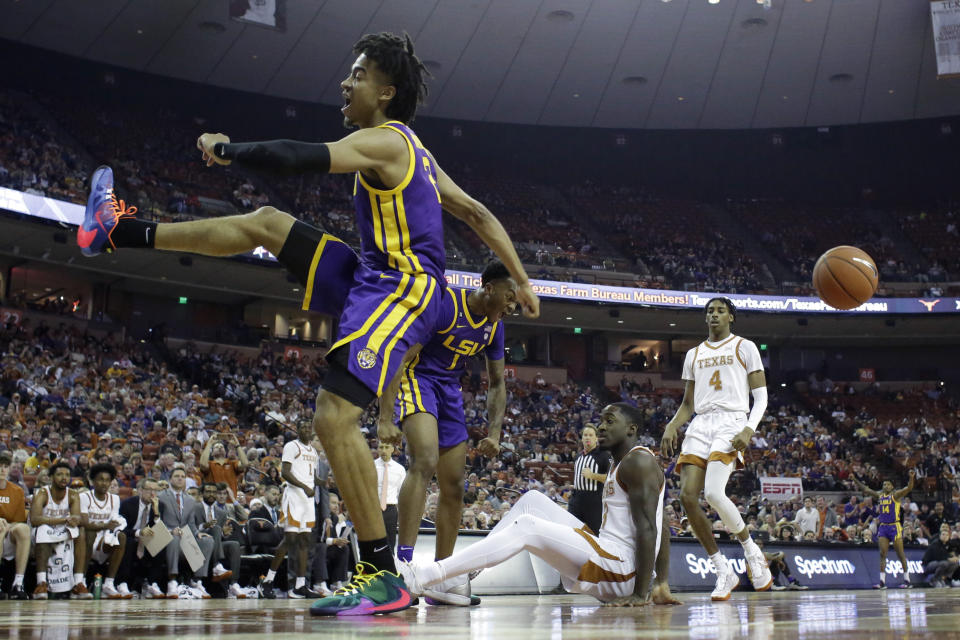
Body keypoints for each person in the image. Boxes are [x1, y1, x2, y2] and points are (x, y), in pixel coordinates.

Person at [79, 30, 539, 617]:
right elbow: (475, 211)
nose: (346, 83)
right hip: (373, 275)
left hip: (402, 290)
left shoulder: (385, 142)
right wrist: (522, 280)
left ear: (386, 91)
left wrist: (230, 150)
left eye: (358, 74)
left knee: (332, 416)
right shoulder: (417, 151)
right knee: (268, 222)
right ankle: (116, 231)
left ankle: (380, 575)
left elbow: (301, 157)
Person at [400, 403, 679, 607]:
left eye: (609, 421)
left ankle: (425, 577)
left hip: (623, 571)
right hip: (612, 557)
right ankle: (457, 579)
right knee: (532, 501)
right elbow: (661, 522)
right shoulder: (626, 462)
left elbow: (649, 529)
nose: (602, 427)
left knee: (528, 528)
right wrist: (662, 583)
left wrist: (642, 593)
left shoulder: (638, 462)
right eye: (600, 421)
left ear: (631, 429)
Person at [378, 261, 516, 606]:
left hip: (448, 390)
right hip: (416, 377)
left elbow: (497, 384)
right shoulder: (444, 305)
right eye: (509, 296)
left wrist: (495, 433)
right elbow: (399, 355)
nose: (513, 305)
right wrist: (384, 416)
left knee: (454, 482)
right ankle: (404, 563)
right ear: (488, 288)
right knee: (423, 459)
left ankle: (442, 574)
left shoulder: (494, 327)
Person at [661, 297, 772, 600]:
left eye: (720, 311)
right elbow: (688, 404)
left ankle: (751, 550)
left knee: (712, 493)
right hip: (700, 424)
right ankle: (722, 570)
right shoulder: (694, 354)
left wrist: (749, 428)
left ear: (731, 317)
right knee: (686, 496)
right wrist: (673, 425)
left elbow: (761, 397)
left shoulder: (744, 347)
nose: (714, 315)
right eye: (709, 311)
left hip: (731, 420)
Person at [257, 422, 320, 599]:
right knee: (290, 539)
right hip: (294, 496)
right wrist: (304, 487)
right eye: (304, 428)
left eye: (309, 428)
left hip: (307, 500)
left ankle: (300, 585)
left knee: (304, 540)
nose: (307, 430)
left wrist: (323, 482)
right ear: (297, 430)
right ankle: (267, 581)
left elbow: (313, 477)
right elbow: (285, 472)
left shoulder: (313, 451)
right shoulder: (291, 446)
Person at [158, 466, 228, 598]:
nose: (180, 479)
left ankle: (197, 581)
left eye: (183, 477)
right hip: (166, 536)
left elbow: (190, 523)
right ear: (170, 479)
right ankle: (172, 581)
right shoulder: (161, 496)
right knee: (175, 538)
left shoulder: (190, 500)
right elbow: (157, 520)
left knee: (207, 540)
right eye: (177, 476)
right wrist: (170, 531)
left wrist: (197, 533)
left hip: (185, 537)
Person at [30, 461, 92, 599]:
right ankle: (41, 583)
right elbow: (35, 520)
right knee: (42, 530)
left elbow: (77, 518)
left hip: (62, 530)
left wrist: (75, 519)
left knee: (80, 531)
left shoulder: (73, 495)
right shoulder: (42, 493)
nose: (64, 478)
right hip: (42, 531)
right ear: (51, 477)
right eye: (59, 474)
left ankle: (78, 582)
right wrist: (64, 520)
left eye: (67, 475)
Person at [853, 470, 916, 588]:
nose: (885, 486)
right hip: (883, 526)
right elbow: (866, 490)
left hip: (895, 526)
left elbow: (909, 488)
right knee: (882, 554)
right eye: (884, 484)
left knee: (900, 554)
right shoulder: (880, 495)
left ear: (892, 486)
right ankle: (882, 582)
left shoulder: (896, 495)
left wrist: (911, 477)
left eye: (888, 484)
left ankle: (907, 580)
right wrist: (854, 479)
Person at [79, 463, 132, 598]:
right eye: (100, 479)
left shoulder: (114, 499)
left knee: (122, 537)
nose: (104, 483)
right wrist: (105, 525)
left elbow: (114, 523)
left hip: (104, 539)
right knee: (89, 534)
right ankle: (81, 582)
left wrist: (109, 526)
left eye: (107, 480)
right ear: (92, 481)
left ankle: (109, 583)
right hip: (84, 539)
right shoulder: (85, 497)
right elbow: (84, 523)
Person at [118, 478, 167, 598]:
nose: (152, 493)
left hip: (147, 540)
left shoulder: (160, 505)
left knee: (161, 539)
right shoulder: (127, 504)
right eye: (149, 489)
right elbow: (121, 529)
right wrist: (138, 532)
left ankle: (152, 583)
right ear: (140, 490)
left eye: (156, 490)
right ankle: (122, 583)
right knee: (128, 542)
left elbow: (159, 530)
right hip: (131, 536)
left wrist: (156, 514)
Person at [197, 482, 246, 598]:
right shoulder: (196, 508)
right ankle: (216, 566)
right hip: (200, 541)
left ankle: (233, 584)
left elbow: (244, 517)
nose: (219, 496)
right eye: (217, 493)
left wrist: (224, 533)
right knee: (216, 529)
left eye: (215, 492)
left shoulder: (222, 512)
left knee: (234, 544)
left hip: (217, 544)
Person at [569, 425, 611, 535]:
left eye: (591, 435)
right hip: (576, 499)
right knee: (571, 530)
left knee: (594, 534)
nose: (588, 438)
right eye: (585, 435)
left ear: (596, 438)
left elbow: (610, 479)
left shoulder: (603, 456)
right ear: (582, 439)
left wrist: (593, 476)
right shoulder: (578, 456)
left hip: (593, 501)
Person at [0, 451, 30, 599]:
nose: (2, 470)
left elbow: (19, 520)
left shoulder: (17, 490)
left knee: (24, 529)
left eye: (6, 466)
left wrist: (9, 527)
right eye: (0, 466)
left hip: (9, 532)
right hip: (1, 531)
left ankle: (18, 583)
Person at [374, 441, 405, 552]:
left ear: (392, 449)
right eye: (381, 447)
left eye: (387, 447)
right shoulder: (371, 466)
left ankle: (390, 566)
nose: (383, 450)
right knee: (374, 539)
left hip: (391, 508)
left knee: (390, 540)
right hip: (373, 508)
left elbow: (401, 492)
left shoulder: (400, 469)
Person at [200, 432, 247, 499]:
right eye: (216, 447)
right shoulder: (209, 464)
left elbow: (245, 464)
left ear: (225, 452)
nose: (219, 448)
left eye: (221, 447)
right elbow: (202, 464)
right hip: (214, 502)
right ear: (212, 453)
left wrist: (237, 444)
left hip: (231, 502)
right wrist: (209, 443)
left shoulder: (232, 463)